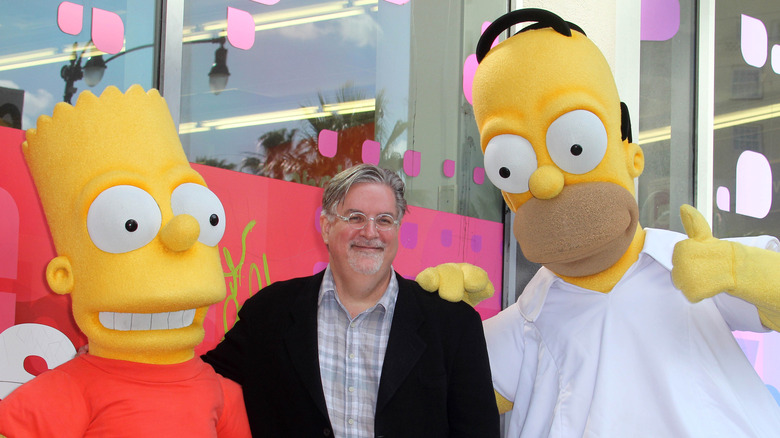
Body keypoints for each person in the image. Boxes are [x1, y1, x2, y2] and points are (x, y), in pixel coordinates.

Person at [203, 163, 500, 437]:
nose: (370, 232)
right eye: (355, 217)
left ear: (397, 230)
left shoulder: (453, 324)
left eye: (384, 220)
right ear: (327, 227)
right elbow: (201, 386)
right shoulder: (269, 312)